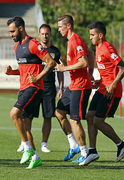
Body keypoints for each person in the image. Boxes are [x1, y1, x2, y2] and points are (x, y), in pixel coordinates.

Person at [5, 16, 56, 169]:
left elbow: (51, 62)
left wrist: (38, 77)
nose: (11, 34)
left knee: (14, 114)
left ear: (21, 28)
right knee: (25, 127)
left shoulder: (33, 44)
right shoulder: (17, 47)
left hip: (34, 88)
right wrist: (13, 72)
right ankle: (35, 156)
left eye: (13, 31)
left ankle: (27, 148)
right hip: (23, 88)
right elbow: (24, 70)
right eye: (9, 32)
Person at [79, 21, 124, 166]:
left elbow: (122, 68)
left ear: (100, 35)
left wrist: (113, 85)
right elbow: (109, 71)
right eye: (90, 35)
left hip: (111, 91)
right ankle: (92, 151)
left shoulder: (107, 48)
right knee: (89, 116)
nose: (90, 37)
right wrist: (99, 81)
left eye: (92, 35)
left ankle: (121, 145)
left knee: (98, 121)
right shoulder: (97, 48)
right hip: (102, 88)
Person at [16, 24, 64, 153]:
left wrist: (61, 87)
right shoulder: (34, 48)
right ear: (39, 35)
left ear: (50, 35)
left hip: (49, 87)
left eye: (47, 33)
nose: (45, 36)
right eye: (42, 33)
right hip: (34, 87)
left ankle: (44, 144)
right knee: (27, 116)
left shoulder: (55, 51)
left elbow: (59, 70)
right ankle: (24, 142)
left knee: (47, 116)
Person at [55, 15, 94, 163]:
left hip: (81, 86)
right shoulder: (72, 41)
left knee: (74, 120)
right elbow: (90, 53)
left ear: (69, 26)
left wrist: (64, 68)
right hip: (73, 85)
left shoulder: (75, 40)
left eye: (60, 27)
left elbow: (83, 62)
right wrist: (90, 73)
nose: (59, 30)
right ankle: (74, 145)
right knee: (59, 112)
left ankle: (85, 153)